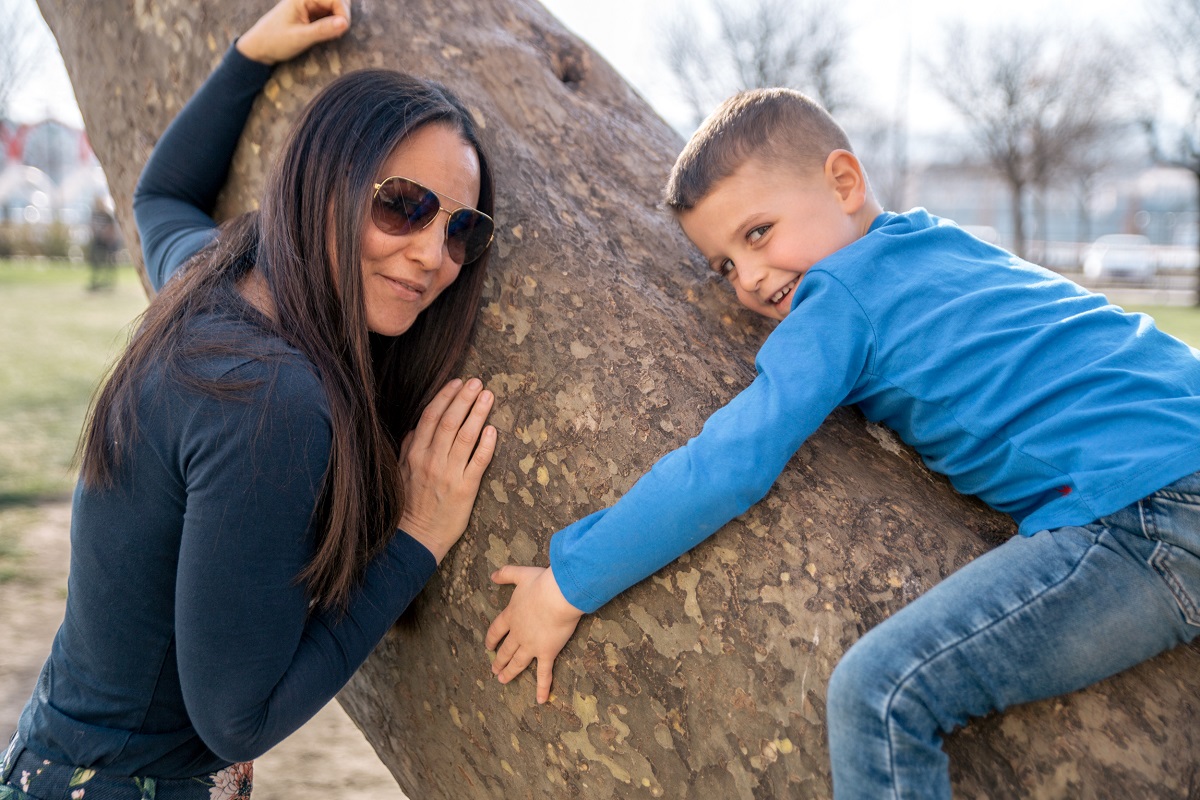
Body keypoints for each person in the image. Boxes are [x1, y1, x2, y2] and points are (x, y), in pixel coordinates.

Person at [484, 86, 1200, 798]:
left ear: (845, 182)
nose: (752, 277)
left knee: (880, 696)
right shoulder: (934, 242)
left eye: (758, 233)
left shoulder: (841, 296)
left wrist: (569, 584)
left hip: (1148, 512)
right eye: (725, 266)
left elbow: (731, 462)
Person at [2, 1, 499, 797]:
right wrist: (417, 536)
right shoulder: (270, 398)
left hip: (48, 758)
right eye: (402, 204)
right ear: (325, 183)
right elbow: (237, 720)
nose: (432, 256)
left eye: (461, 228)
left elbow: (160, 196)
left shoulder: (213, 281)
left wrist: (249, 56)